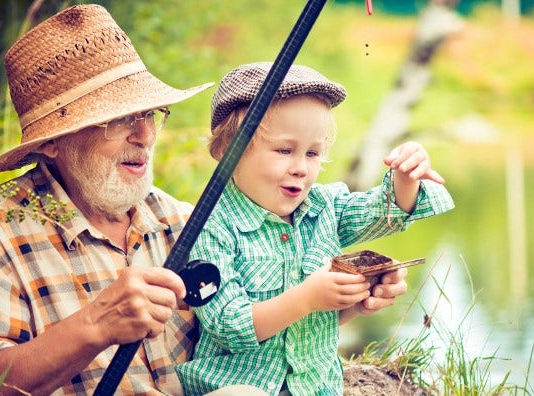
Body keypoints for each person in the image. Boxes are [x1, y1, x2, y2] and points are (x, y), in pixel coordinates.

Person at [0, 5, 410, 395]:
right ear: (52, 143)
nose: (145, 135)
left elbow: (246, 334)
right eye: (118, 121)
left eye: (150, 114)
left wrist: (342, 302)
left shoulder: (186, 219)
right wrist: (94, 327)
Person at [175, 62, 455, 395]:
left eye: (313, 153)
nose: (301, 168)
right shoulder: (211, 227)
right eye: (284, 150)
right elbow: (228, 326)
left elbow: (385, 211)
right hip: (237, 387)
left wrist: (405, 176)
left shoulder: (324, 208)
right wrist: (308, 298)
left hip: (316, 387)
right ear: (228, 151)